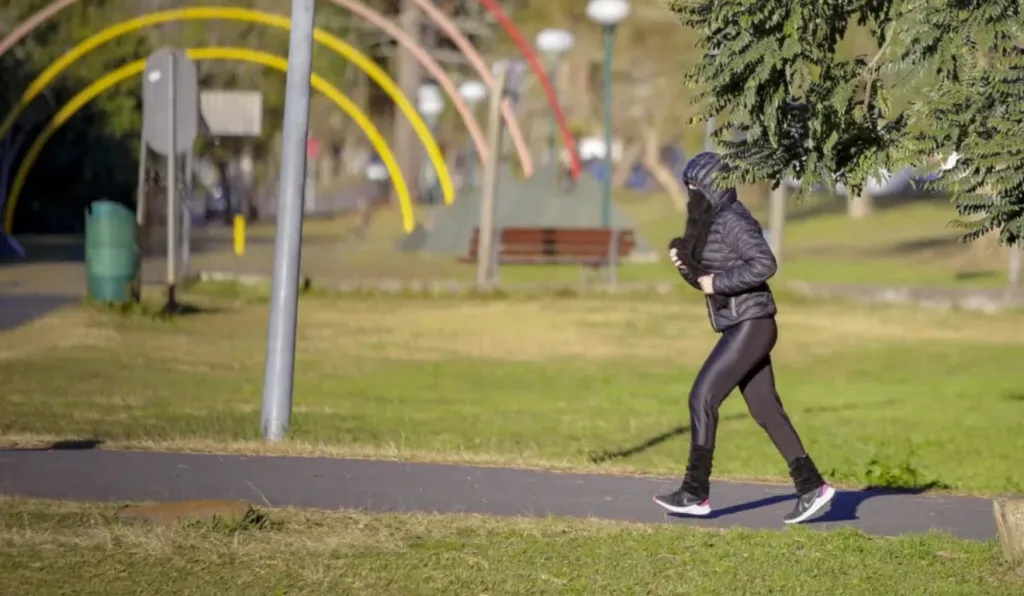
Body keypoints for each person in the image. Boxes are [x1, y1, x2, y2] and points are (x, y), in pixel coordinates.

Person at [653, 151, 834, 525]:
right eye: (688, 187)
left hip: (752, 323)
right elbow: (709, 285)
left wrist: (717, 281)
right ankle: (812, 487)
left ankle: (694, 492)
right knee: (766, 410)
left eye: (695, 187)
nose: (691, 194)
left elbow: (765, 264)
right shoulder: (711, 221)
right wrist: (688, 268)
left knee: (702, 397)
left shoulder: (733, 219)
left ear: (712, 187)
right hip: (741, 323)